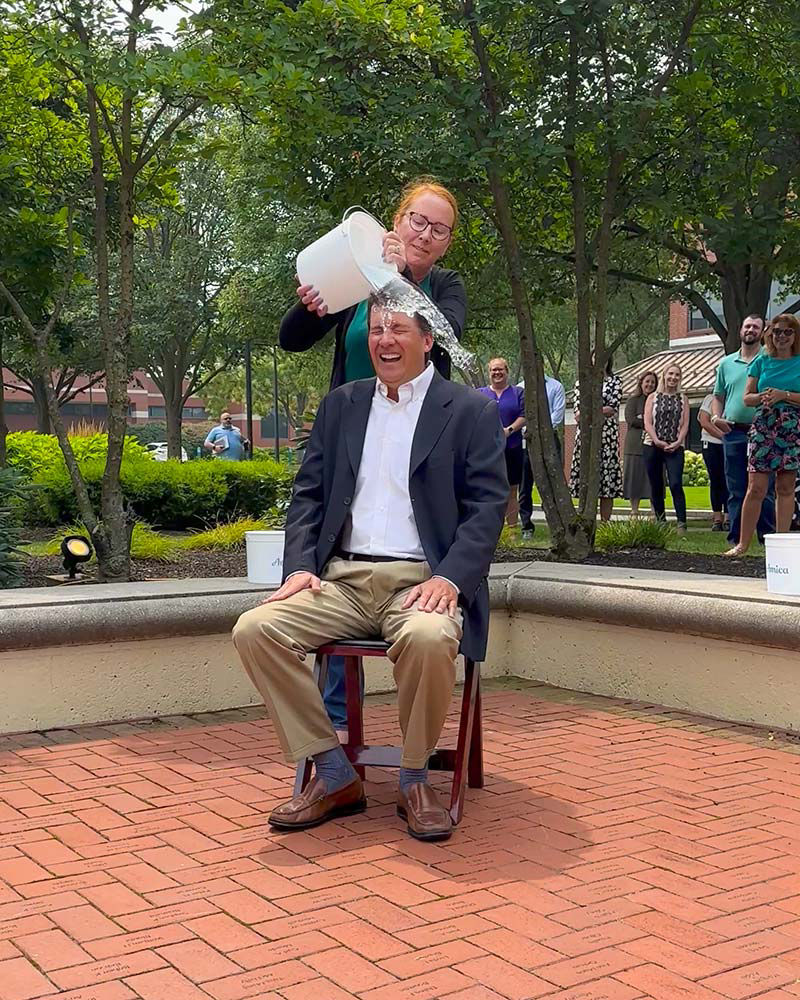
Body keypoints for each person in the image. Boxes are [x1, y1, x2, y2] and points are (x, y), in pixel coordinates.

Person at [232, 299, 507, 842]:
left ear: (427, 340)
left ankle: (413, 777)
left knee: (430, 638)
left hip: (422, 582)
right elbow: (307, 495)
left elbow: (486, 508)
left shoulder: (468, 410)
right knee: (256, 630)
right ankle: (333, 772)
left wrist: (449, 579)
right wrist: (299, 569)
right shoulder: (342, 406)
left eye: (398, 328)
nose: (385, 339)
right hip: (341, 581)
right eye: (377, 328)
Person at [280, 179, 466, 739]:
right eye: (417, 220)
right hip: (351, 437)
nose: (425, 234)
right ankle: (336, 727)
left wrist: (400, 278)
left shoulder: (445, 285)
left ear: (447, 243)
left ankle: (415, 749)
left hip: (418, 442)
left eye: (439, 229)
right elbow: (292, 338)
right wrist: (311, 305)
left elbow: (448, 332)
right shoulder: (357, 273)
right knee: (338, 552)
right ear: (397, 218)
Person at [725, 314, 800, 556]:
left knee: (785, 486)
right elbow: (746, 397)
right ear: (770, 334)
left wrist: (784, 395)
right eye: (777, 331)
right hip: (764, 425)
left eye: (787, 332)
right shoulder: (761, 360)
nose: (782, 336)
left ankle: (781, 545)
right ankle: (742, 544)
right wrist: (762, 397)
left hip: (792, 426)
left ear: (795, 336)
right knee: (755, 487)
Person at [711, 314, 775, 545]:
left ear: (762, 331)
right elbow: (718, 396)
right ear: (740, 330)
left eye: (755, 327)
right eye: (747, 326)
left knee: (764, 488)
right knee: (736, 486)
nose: (750, 330)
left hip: (764, 430)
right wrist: (717, 417)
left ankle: (767, 536)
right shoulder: (726, 363)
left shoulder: (770, 360)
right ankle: (736, 538)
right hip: (734, 432)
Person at [569, 358, 623, 521]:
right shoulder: (581, 383)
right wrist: (597, 411)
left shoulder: (615, 381)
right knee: (585, 477)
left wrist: (589, 412)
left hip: (607, 436)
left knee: (607, 480)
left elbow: (611, 408)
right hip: (586, 435)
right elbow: (578, 414)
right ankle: (585, 520)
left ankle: (605, 524)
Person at [642, 363, 690, 533]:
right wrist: (656, 440)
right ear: (664, 375)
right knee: (656, 484)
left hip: (675, 446)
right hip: (652, 445)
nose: (673, 378)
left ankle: (681, 523)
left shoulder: (683, 399)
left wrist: (678, 442)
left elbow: (685, 424)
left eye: (677, 375)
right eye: (670, 374)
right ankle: (660, 521)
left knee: (676, 483)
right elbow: (647, 422)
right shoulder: (653, 397)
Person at [518, 373, 565, 539]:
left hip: (549, 440)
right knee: (525, 486)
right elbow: (520, 415)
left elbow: (557, 415)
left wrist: (539, 430)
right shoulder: (520, 388)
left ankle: (556, 525)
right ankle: (526, 526)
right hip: (526, 441)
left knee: (552, 484)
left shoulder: (556, 386)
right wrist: (528, 431)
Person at [479, 358, 525, 527]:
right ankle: (491, 527)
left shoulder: (518, 393)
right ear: (489, 373)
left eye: (500, 370)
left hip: (512, 447)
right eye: (493, 370)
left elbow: (524, 415)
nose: (497, 373)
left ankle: (511, 529)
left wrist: (509, 430)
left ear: (507, 371)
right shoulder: (480, 394)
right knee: (488, 489)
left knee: (512, 489)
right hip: (487, 450)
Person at [623, 371, 657, 517]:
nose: (649, 385)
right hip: (634, 444)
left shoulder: (657, 400)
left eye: (653, 382)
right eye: (647, 381)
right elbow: (631, 420)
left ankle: (654, 511)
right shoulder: (633, 400)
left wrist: (642, 419)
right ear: (641, 383)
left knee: (653, 477)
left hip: (654, 443)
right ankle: (634, 510)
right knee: (634, 477)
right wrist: (648, 421)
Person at [698, 393, 729, 530]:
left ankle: (729, 517)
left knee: (730, 479)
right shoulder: (710, 399)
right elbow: (704, 421)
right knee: (716, 480)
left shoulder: (734, 399)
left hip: (730, 446)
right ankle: (717, 518)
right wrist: (723, 436)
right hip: (712, 444)